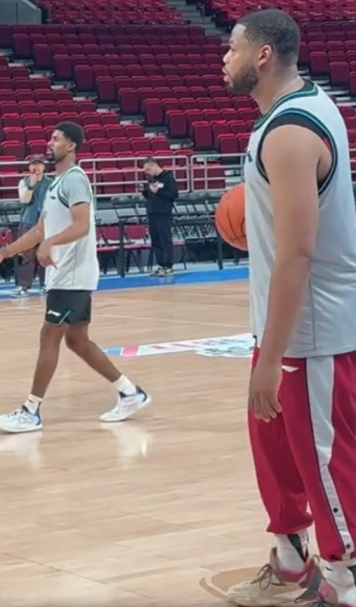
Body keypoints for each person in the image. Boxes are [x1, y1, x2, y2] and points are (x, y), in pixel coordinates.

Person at [221, 9, 356, 607]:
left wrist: (272, 358)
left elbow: (298, 254)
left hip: (312, 333)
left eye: (233, 47)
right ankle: (292, 558)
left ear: (263, 55)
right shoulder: (292, 112)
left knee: (326, 464)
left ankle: (345, 582)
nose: (224, 58)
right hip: (282, 328)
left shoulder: (290, 133)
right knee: (276, 455)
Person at [0, 122, 151, 432]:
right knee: (76, 340)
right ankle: (130, 393)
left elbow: (81, 225)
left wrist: (50, 244)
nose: (50, 143)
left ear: (71, 146)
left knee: (49, 336)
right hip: (64, 273)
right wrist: (4, 252)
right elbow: (40, 230)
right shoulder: (54, 184)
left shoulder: (75, 179)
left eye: (56, 139)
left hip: (72, 272)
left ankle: (30, 411)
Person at [13, 156, 50, 297]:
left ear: (44, 167)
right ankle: (24, 286)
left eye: (39, 164)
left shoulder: (51, 183)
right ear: (29, 167)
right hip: (28, 222)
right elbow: (24, 200)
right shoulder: (24, 182)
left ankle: (46, 284)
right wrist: (31, 186)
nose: (37, 167)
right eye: (34, 164)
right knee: (27, 255)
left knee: (45, 254)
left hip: (46, 223)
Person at [140, 157, 178, 276]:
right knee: (155, 240)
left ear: (154, 166)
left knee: (165, 239)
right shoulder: (151, 179)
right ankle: (161, 264)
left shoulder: (168, 177)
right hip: (152, 212)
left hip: (164, 213)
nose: (146, 172)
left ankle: (168, 266)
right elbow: (151, 196)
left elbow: (173, 194)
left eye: (148, 170)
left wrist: (158, 191)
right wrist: (145, 191)